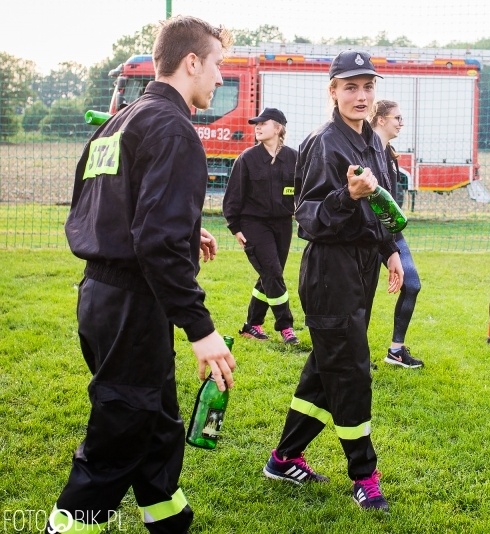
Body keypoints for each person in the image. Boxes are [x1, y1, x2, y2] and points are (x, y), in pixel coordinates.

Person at [49, 15, 236, 534]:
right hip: (133, 303)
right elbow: (153, 241)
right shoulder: (175, 130)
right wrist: (200, 329)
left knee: (157, 422)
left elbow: (94, 206)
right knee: (118, 435)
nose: (221, 79)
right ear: (191, 61)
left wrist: (186, 232)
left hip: (100, 297)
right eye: (218, 65)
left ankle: (168, 518)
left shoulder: (121, 120)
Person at [260, 51, 402, 512]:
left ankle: (283, 458)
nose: (360, 96)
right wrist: (346, 195)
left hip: (362, 266)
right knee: (352, 371)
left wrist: (389, 251)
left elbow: (378, 208)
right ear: (333, 92)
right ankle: (365, 474)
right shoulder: (322, 143)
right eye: (350, 87)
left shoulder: (375, 143)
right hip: (329, 270)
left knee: (326, 369)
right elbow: (308, 218)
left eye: (367, 87)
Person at [223, 107, 300, 345]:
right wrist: (236, 228)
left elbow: (303, 190)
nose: (257, 126)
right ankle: (285, 326)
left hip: (283, 225)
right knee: (273, 273)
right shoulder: (247, 158)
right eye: (256, 123)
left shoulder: (294, 158)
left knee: (269, 275)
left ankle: (252, 325)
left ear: (278, 128)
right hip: (252, 224)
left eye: (263, 123)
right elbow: (232, 198)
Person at [369, 99, 424, 369]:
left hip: (390, 234)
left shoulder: (389, 154)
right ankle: (354, 355)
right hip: (368, 234)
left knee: (412, 285)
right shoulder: (365, 151)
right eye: (397, 118)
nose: (401, 123)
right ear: (380, 119)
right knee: (359, 298)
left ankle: (396, 350)